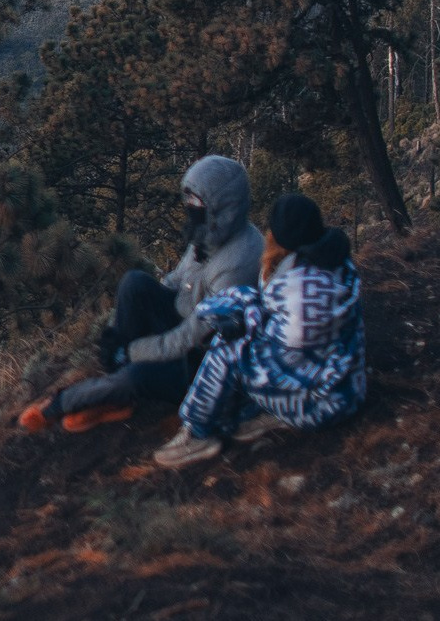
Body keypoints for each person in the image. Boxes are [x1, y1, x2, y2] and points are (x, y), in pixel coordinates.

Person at [20, 155, 263, 434]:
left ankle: (62, 404)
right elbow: (175, 280)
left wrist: (132, 351)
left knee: (136, 375)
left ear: (222, 206)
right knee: (134, 283)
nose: (189, 206)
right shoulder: (211, 233)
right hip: (183, 324)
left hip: (202, 362)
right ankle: (116, 394)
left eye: (195, 201)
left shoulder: (237, 263)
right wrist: (122, 336)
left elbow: (193, 338)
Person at [154, 191, 366, 469]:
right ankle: (261, 411)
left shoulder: (299, 289)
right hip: (348, 386)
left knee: (228, 347)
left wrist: (237, 318)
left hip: (324, 405)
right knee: (239, 316)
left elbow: (282, 348)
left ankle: (199, 433)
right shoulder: (336, 263)